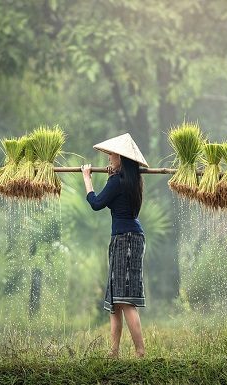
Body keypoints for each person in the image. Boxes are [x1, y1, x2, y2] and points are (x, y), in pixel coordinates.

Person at [81, 133, 149, 358]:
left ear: (121, 157)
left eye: (112, 154)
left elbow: (96, 203)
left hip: (125, 240)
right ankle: (114, 352)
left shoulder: (117, 182)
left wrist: (87, 177)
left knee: (125, 300)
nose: (109, 157)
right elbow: (116, 193)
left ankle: (140, 352)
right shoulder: (132, 181)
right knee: (115, 300)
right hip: (130, 237)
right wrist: (113, 175)